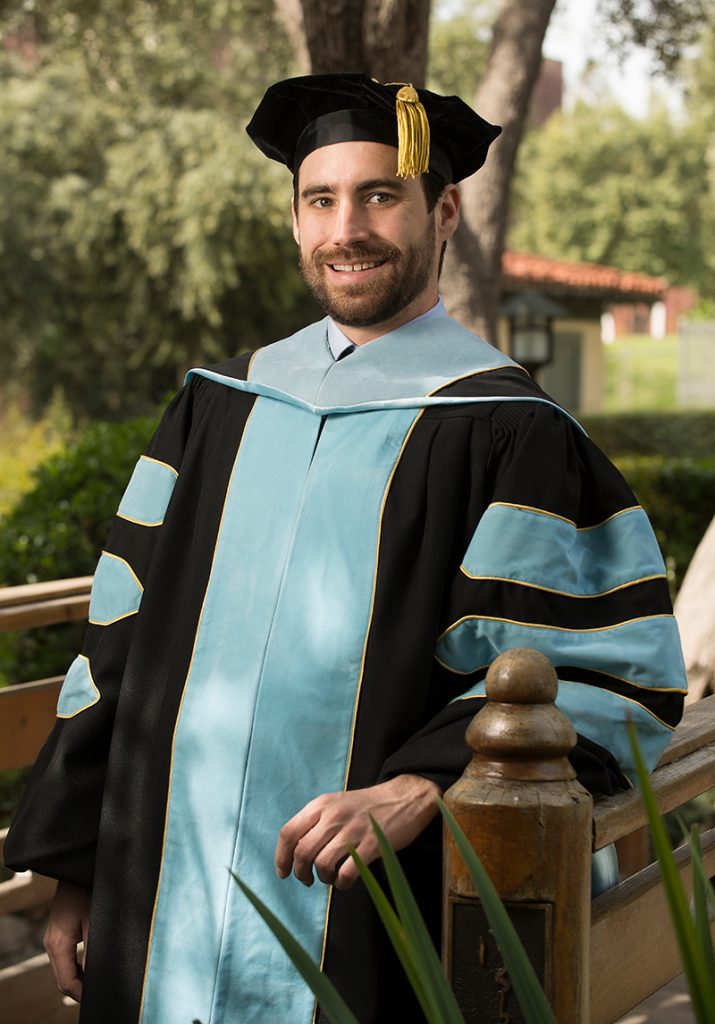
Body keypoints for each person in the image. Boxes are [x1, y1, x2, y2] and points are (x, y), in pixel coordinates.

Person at [5, 74, 687, 1024]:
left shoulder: (510, 435)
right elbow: (116, 639)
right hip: (162, 893)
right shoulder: (221, 406)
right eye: (319, 200)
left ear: (441, 211)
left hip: (370, 916)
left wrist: (424, 783)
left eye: (379, 195)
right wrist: (78, 865)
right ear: (294, 222)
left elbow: (604, 674)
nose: (345, 229)